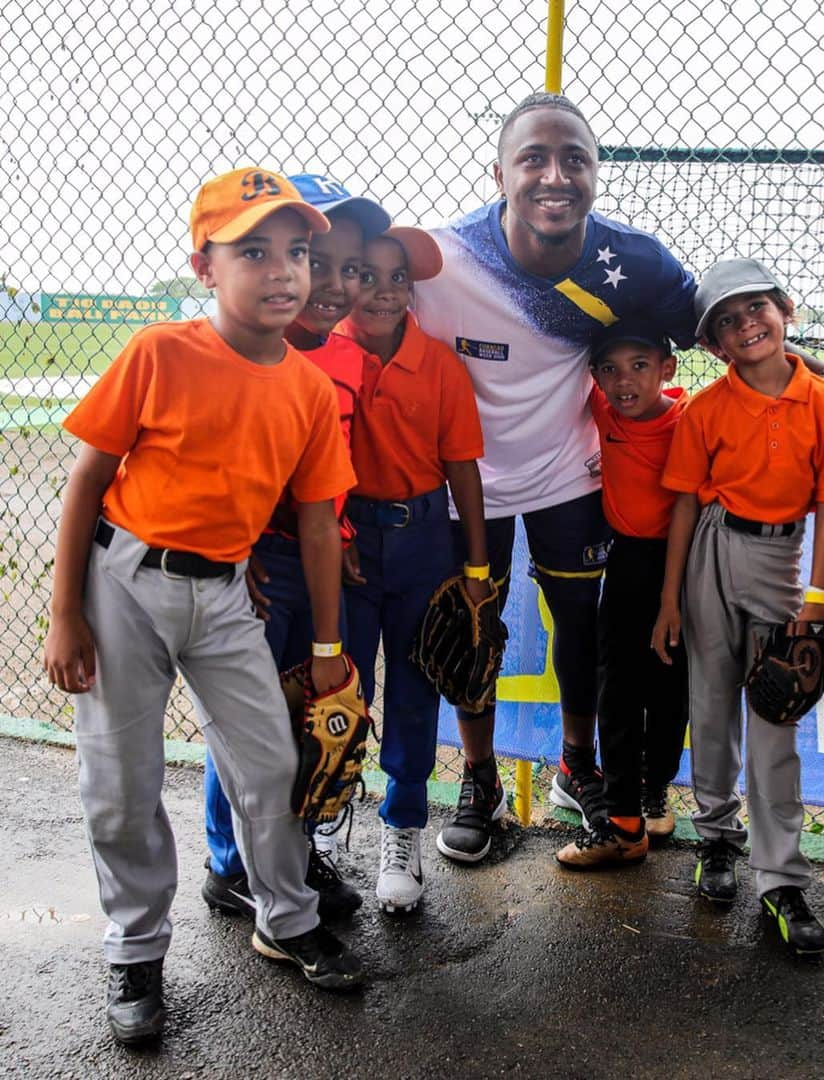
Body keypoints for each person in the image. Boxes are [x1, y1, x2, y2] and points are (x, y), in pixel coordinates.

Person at [412, 92, 824, 863]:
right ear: (498, 172)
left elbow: (723, 326)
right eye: (533, 158)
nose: (554, 176)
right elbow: (358, 296)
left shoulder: (632, 260)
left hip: (569, 473)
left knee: (583, 633)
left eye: (575, 160)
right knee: (473, 634)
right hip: (468, 483)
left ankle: (577, 767)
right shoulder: (444, 256)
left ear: (598, 173)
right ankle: (480, 779)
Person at [43, 168, 366, 1045]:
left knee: (268, 764)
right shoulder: (161, 352)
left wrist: (330, 648)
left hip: (224, 593)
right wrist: (64, 613)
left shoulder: (303, 386)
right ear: (204, 265)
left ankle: (287, 918)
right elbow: (87, 481)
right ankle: (136, 950)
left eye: (297, 251)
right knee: (122, 784)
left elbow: (316, 525)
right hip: (124, 585)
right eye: (253, 250)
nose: (283, 271)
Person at [200, 172, 392, 924]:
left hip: (315, 557)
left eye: (350, 267)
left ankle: (294, 845)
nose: (336, 283)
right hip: (258, 561)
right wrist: (237, 542)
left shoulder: (346, 359)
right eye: (321, 259)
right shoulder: (257, 350)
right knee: (248, 719)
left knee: (316, 710)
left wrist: (342, 533)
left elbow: (330, 475)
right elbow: (220, 458)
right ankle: (230, 863)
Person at [652, 258, 824, 956]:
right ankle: (716, 838)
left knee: (776, 715)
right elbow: (682, 502)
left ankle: (782, 879)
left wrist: (819, 599)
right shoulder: (705, 409)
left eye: (756, 308)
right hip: (712, 549)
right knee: (709, 706)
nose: (746, 324)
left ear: (786, 309)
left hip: (785, 561)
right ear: (715, 346)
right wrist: (670, 600)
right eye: (728, 322)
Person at [335, 225, 491, 902]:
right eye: (365, 275)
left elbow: (462, 467)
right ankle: (325, 813)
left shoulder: (439, 364)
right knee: (341, 687)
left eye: (398, 278)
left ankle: (402, 828)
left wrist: (479, 571)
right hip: (344, 538)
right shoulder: (324, 351)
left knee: (414, 684)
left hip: (423, 535)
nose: (383, 291)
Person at [555, 318, 689, 868]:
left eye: (639, 366)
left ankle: (653, 790)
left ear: (667, 369)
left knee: (671, 686)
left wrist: (672, 600)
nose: (624, 381)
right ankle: (622, 819)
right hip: (627, 561)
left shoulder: (689, 421)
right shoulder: (604, 408)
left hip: (680, 566)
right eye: (609, 369)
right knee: (617, 688)